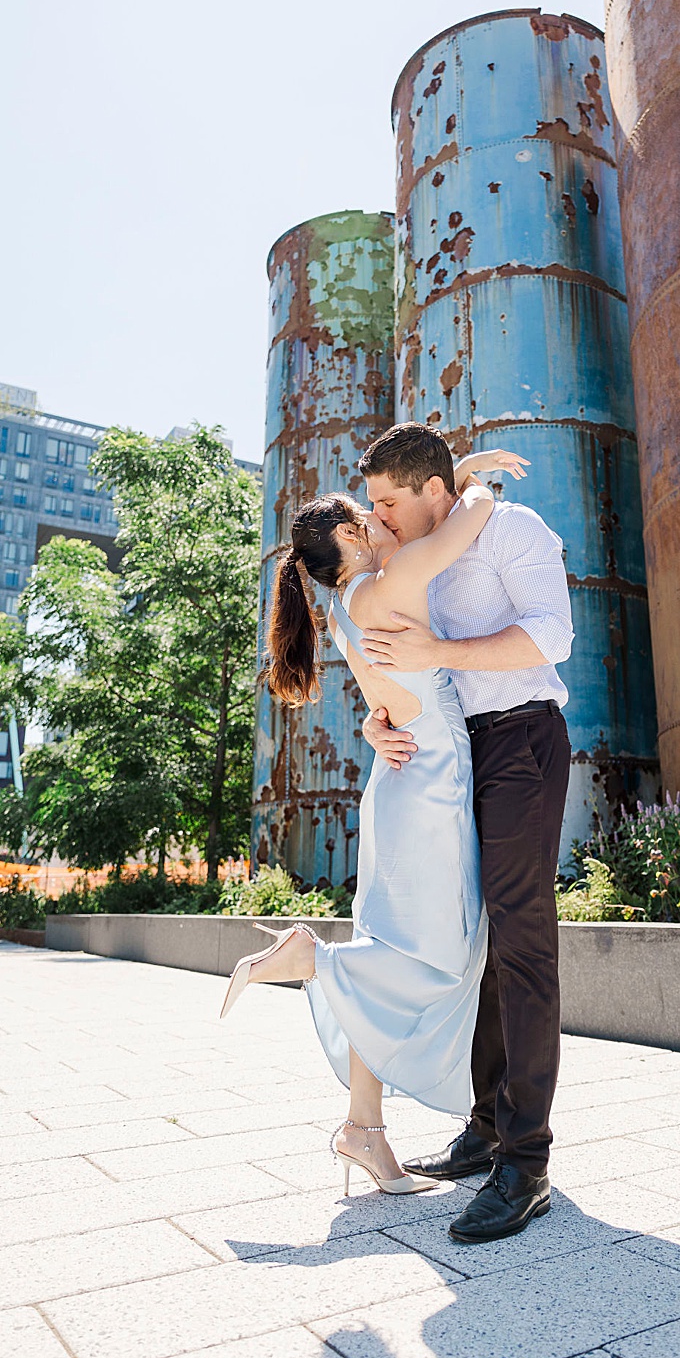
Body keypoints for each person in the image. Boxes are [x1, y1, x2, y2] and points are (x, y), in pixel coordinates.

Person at [234, 450, 525, 1204]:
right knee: (447, 953)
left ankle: (364, 1128)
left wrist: (372, 720)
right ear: (355, 539)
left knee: (395, 945)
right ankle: (309, 958)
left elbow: (389, 692)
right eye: (369, 516)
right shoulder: (388, 583)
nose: (380, 519)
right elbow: (470, 522)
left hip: (399, 780)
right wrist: (471, 474)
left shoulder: (340, 605)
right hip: (427, 787)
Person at [352, 422, 579, 1245]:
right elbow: (388, 666)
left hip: (520, 738)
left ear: (432, 492)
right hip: (452, 755)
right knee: (473, 939)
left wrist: (444, 647)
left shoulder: (512, 531)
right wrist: (375, 722)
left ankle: (527, 1161)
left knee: (522, 943)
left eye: (387, 502)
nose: (377, 518)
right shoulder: (417, 555)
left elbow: (553, 636)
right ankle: (487, 1126)